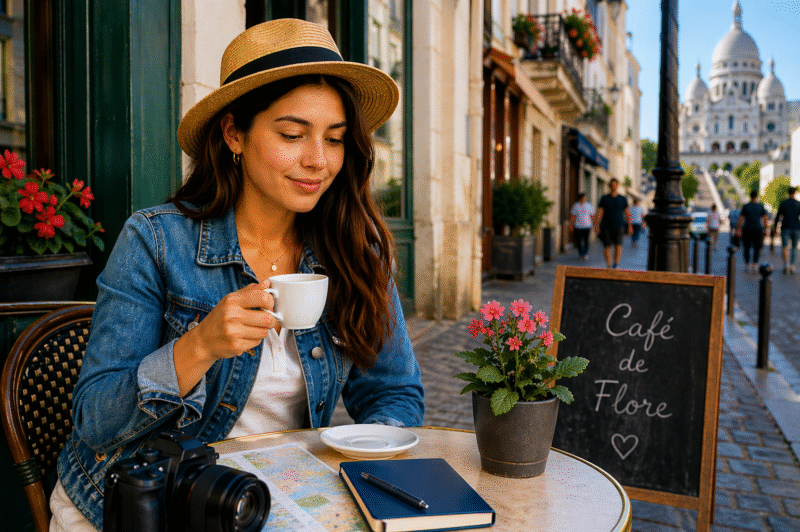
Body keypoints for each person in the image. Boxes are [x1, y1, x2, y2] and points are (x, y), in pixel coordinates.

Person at [50, 19, 424, 532]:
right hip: (140, 504)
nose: (317, 160)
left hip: (269, 502)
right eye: (292, 135)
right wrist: (198, 347)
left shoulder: (356, 249)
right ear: (234, 134)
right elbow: (96, 421)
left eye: (334, 140)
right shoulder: (156, 241)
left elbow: (394, 391)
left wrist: (373, 452)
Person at [594, 178, 632, 268]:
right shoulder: (604, 198)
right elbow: (599, 212)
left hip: (619, 226)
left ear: (617, 185)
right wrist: (596, 225)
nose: (613, 186)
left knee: (618, 246)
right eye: (612, 184)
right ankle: (608, 264)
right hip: (606, 226)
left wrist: (630, 225)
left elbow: (627, 213)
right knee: (607, 246)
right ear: (609, 186)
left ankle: (615, 264)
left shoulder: (623, 199)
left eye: (615, 184)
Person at [736, 190, 769, 272]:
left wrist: (738, 229)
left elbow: (741, 219)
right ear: (756, 197)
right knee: (756, 248)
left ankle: (747, 264)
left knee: (746, 248)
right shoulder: (760, 206)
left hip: (747, 229)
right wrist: (766, 229)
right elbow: (765, 219)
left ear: (750, 197)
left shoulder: (746, 206)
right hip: (758, 229)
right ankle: (754, 264)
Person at [774, 186, 800, 274]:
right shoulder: (798, 203)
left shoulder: (784, 203)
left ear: (788, 193)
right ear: (795, 193)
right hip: (796, 228)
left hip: (785, 227)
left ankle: (786, 264)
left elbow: (778, 216)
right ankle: (792, 265)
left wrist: (775, 227)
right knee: (794, 247)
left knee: (785, 246)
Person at [569, 192, 594, 260]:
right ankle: (581, 253)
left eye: (585, 198)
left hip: (587, 226)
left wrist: (594, 225)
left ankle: (585, 253)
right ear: (579, 198)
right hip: (578, 226)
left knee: (586, 241)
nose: (584, 199)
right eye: (583, 198)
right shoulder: (575, 205)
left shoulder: (589, 205)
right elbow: (573, 216)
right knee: (579, 241)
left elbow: (592, 216)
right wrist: (571, 225)